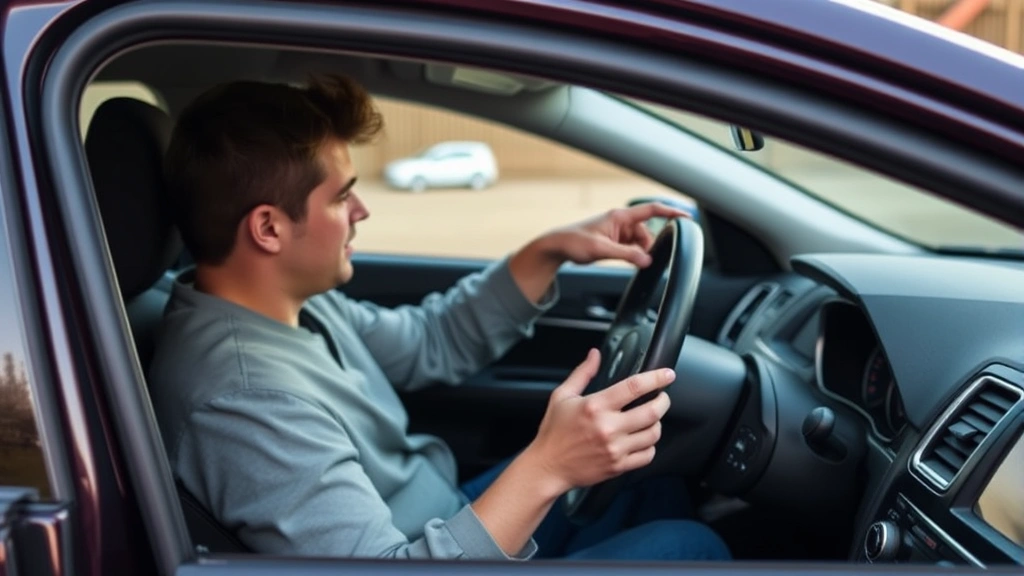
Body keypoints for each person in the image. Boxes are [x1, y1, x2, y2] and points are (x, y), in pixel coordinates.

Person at [149, 74, 729, 561]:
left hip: (446, 516)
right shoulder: (244, 400)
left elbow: (430, 341)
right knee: (691, 548)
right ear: (269, 228)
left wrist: (550, 250)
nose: (362, 209)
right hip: (427, 553)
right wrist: (549, 464)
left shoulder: (290, 303)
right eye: (340, 197)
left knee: (650, 481)